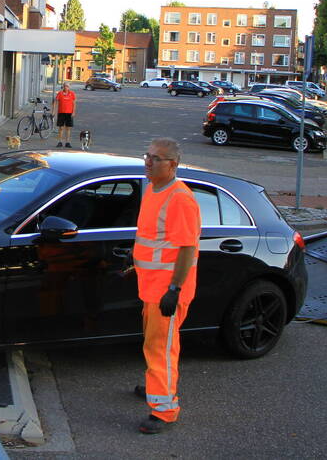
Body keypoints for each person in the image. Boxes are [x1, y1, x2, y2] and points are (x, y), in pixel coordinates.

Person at [132, 137, 201, 434]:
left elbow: (187, 248)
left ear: (172, 165)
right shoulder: (152, 189)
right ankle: (154, 387)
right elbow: (156, 239)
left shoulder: (180, 199)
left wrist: (174, 289)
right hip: (151, 286)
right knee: (153, 344)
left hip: (167, 291)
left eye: (156, 158)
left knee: (163, 349)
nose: (148, 162)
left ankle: (164, 409)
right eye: (147, 155)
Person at [54, 82, 77, 148]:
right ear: (63, 87)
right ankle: (60, 142)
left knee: (68, 128)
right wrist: (54, 111)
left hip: (69, 113)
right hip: (61, 113)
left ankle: (67, 142)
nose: (66, 87)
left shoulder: (72, 94)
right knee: (61, 128)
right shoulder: (60, 93)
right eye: (65, 86)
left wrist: (73, 112)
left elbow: (74, 103)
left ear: (69, 87)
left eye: (67, 86)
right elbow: (55, 101)